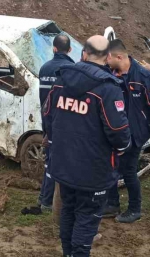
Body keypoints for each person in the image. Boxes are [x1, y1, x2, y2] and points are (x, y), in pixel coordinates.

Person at [43, 35, 132, 257]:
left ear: (83, 53)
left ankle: (68, 253)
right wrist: (122, 147)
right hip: (94, 168)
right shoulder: (108, 87)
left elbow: (47, 116)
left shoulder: (60, 80)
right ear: (108, 56)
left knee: (69, 211)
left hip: (63, 163)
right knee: (87, 217)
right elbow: (119, 130)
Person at [103, 39, 150, 223]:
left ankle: (134, 208)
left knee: (128, 171)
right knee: (111, 168)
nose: (106, 61)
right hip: (115, 131)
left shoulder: (143, 76)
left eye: (108, 57)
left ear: (119, 57)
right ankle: (112, 203)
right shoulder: (109, 73)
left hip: (135, 132)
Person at [35, 34, 75, 212]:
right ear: (70, 50)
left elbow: (43, 100)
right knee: (56, 163)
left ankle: (44, 197)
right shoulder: (73, 70)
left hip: (47, 121)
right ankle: (47, 201)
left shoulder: (44, 68)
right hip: (64, 125)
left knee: (49, 160)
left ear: (54, 48)